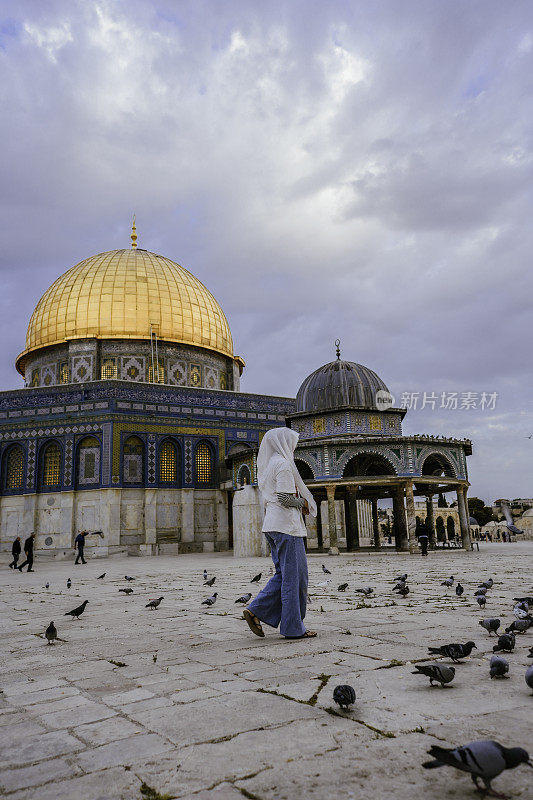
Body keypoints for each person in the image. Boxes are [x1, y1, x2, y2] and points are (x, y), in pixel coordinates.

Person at [242, 427, 318, 640]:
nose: (294, 447)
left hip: (272, 526)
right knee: (295, 579)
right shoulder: (283, 465)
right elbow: (285, 499)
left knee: (284, 575)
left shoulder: (267, 465)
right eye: (292, 443)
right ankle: (293, 628)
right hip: (286, 528)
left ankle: (255, 610)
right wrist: (304, 502)